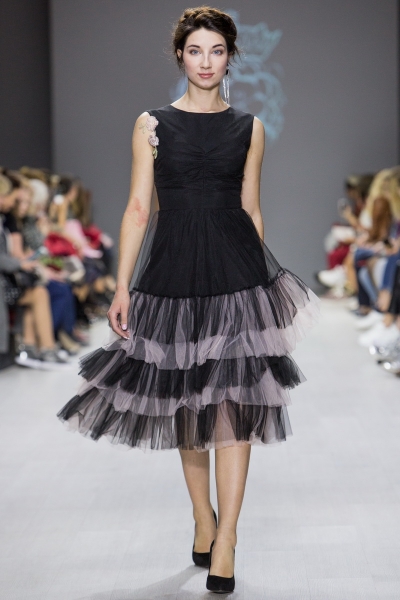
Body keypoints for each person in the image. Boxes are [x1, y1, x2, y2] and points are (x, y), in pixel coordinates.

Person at [56, 6, 320, 594]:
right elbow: (137, 209)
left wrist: (261, 291)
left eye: (216, 51)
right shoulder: (151, 124)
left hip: (235, 274)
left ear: (230, 57)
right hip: (172, 274)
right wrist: (122, 285)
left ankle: (227, 540)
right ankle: (203, 517)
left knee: (235, 404)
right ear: (181, 55)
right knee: (187, 403)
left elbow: (251, 210)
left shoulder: (250, 127)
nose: (206, 62)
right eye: (196, 50)